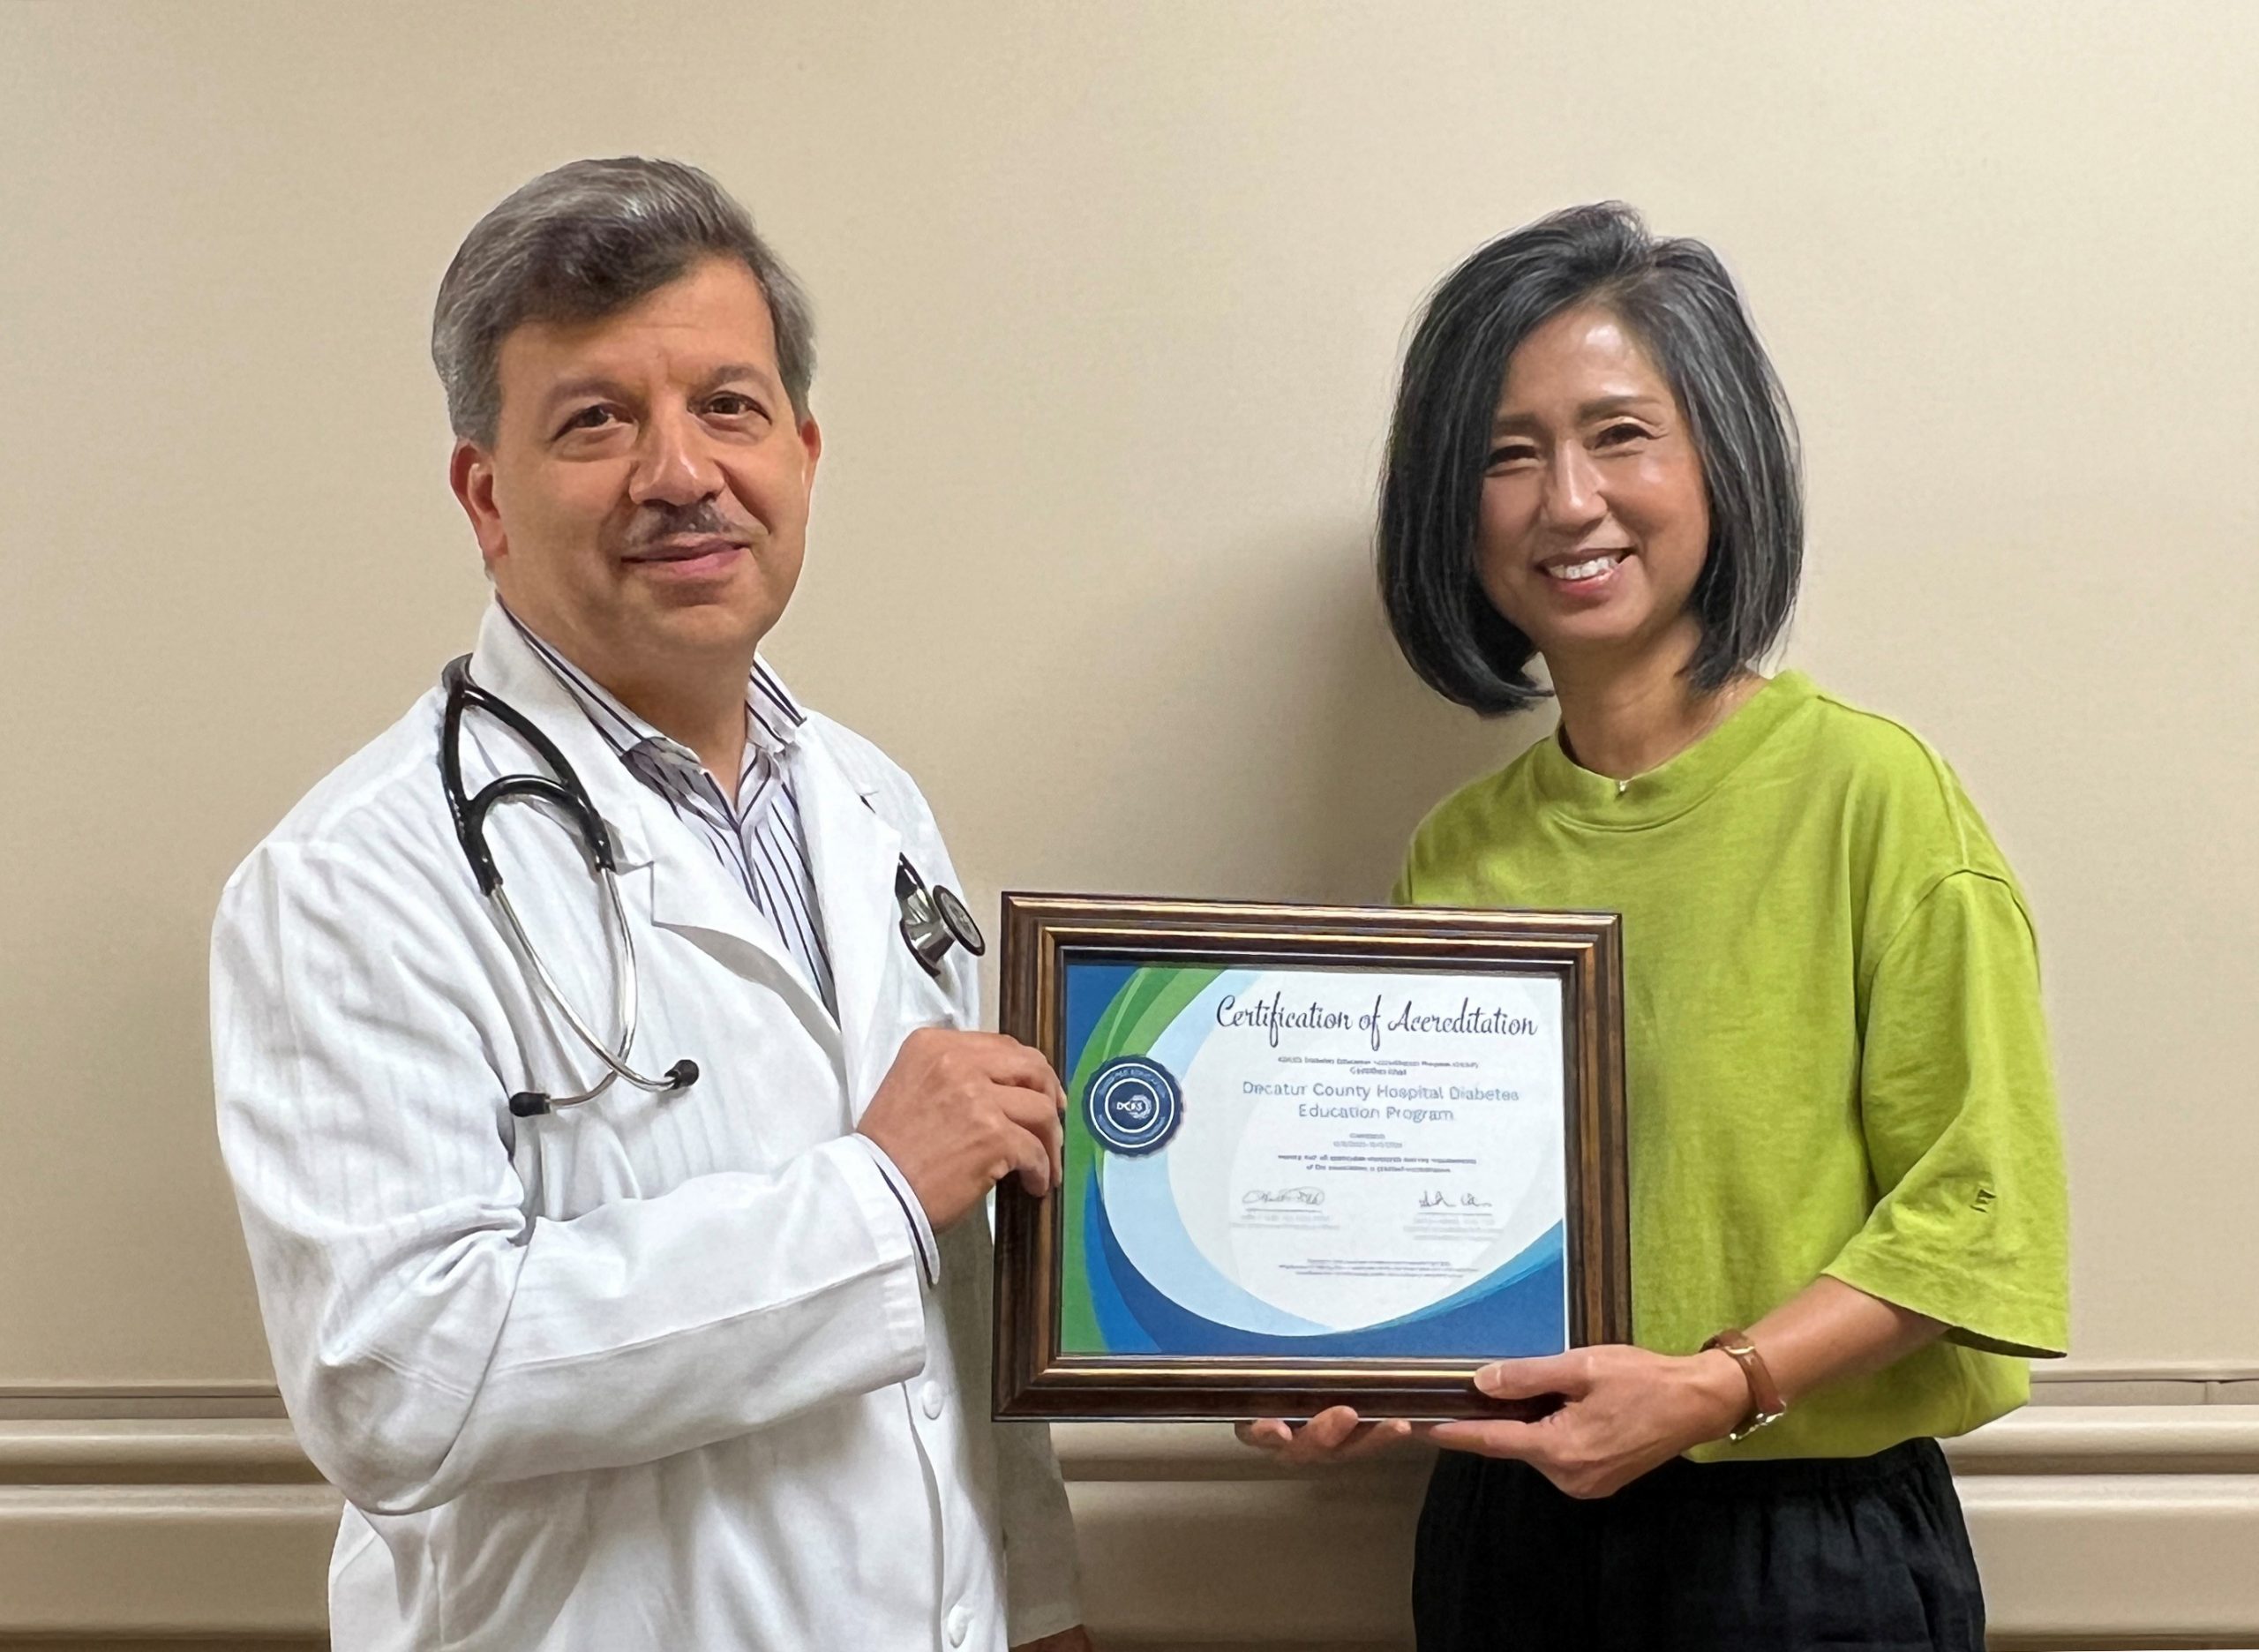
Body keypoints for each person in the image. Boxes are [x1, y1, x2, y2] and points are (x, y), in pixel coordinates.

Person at [212, 157, 1091, 1652]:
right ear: (486, 495)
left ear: (804, 453)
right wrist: (871, 1195)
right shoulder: (355, 878)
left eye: (729, 408)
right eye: (597, 420)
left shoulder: (874, 805)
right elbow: (396, 1381)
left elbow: (945, 1300)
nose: (681, 472)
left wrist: (1040, 1605)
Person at [1240, 203, 2069, 1650]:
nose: (1568, 500)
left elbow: (1975, 1219)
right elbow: (1437, 1229)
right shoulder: (1458, 853)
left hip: (1807, 1552)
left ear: (1719, 464)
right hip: (1511, 1550)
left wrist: (1715, 1385)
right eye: (1508, 453)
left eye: (1621, 433)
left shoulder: (1875, 797)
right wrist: (1351, 1370)